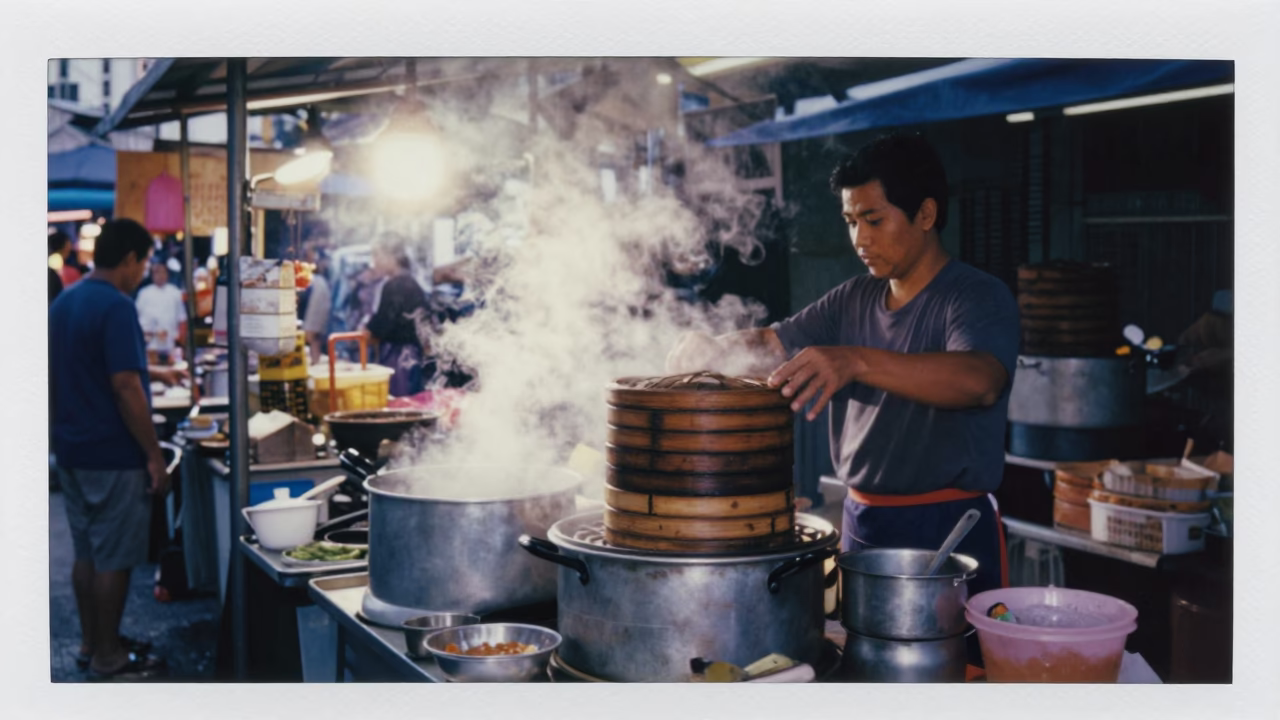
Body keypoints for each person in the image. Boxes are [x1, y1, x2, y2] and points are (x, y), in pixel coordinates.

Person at [667, 132, 1020, 606]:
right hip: (862, 524)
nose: (859, 239)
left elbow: (979, 382)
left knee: (955, 671)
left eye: (873, 219)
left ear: (926, 214)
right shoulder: (852, 298)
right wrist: (713, 347)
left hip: (949, 529)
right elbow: (773, 344)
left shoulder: (975, 296)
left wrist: (855, 360)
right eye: (851, 221)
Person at [49, 218, 186, 680]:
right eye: (144, 262)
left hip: (72, 451)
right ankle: (109, 658)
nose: (144, 272)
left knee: (87, 554)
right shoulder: (116, 305)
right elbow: (125, 384)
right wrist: (153, 456)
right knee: (116, 558)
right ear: (129, 258)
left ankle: (93, 642)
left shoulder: (66, 302)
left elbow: (76, 366)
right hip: (111, 454)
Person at [363, 233, 433, 396]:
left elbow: (381, 326)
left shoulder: (395, 285)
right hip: (411, 357)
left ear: (392, 256)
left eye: (377, 254)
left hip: (399, 359)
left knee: (399, 405)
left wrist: (367, 329)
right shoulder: (410, 281)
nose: (374, 261)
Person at [134, 260, 187, 364]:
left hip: (170, 345)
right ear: (152, 274)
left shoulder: (175, 292)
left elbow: (182, 319)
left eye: (163, 272)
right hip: (150, 346)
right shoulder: (144, 293)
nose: (160, 275)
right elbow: (136, 319)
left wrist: (181, 343)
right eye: (157, 272)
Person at [302, 243, 333, 365]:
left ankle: (315, 361)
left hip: (317, 294)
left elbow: (312, 330)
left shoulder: (318, 282)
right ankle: (315, 361)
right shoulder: (315, 280)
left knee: (313, 337)